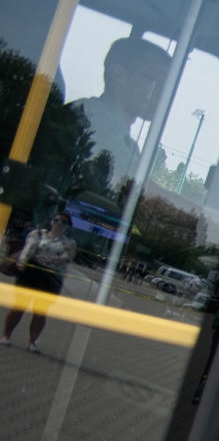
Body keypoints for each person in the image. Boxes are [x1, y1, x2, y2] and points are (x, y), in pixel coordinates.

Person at [70, 37, 172, 189]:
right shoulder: (90, 116)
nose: (164, 94)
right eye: (158, 82)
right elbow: (138, 189)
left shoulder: (128, 143)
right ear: (118, 74)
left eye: (168, 86)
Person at [3, 212, 77, 352]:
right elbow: (27, 250)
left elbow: (66, 259)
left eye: (63, 222)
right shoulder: (37, 234)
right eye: (56, 220)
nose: (58, 223)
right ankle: (6, 336)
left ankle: (32, 343)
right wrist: (23, 261)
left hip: (51, 277)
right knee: (19, 306)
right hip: (29, 273)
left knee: (40, 311)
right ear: (51, 221)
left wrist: (40, 259)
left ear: (67, 226)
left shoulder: (70, 243)